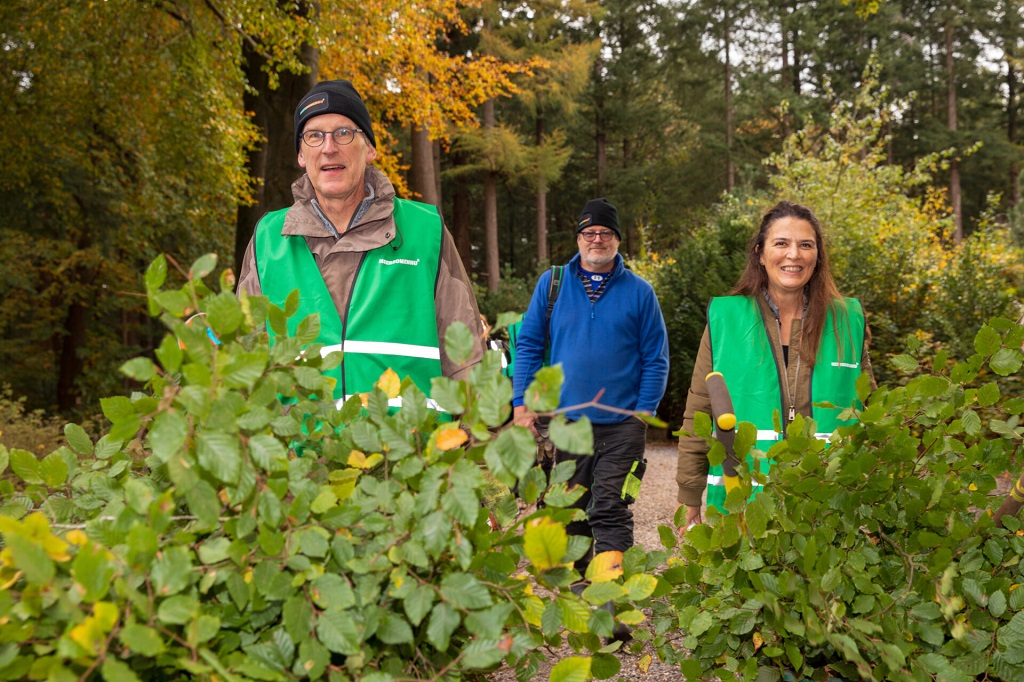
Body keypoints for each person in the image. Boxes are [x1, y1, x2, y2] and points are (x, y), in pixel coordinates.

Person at [236, 80, 483, 405]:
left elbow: (467, 360)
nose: (328, 147)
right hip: (298, 439)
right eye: (314, 136)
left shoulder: (426, 231)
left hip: (410, 437)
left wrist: (476, 430)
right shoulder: (267, 240)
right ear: (301, 155)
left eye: (343, 133)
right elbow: (242, 364)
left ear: (369, 149)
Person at [676, 200, 874, 529]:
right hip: (742, 501)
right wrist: (689, 493)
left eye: (806, 245)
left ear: (818, 256)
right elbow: (698, 410)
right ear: (760, 253)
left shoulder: (847, 320)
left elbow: (870, 409)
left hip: (826, 503)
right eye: (781, 243)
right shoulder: (726, 319)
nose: (793, 254)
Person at [512, 198, 669, 584]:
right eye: (589, 232)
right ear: (578, 238)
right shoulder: (552, 285)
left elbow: (656, 358)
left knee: (611, 506)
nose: (597, 239)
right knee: (571, 507)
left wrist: (643, 412)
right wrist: (521, 404)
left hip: (623, 424)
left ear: (617, 240)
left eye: (605, 232)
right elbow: (529, 345)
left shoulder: (640, 292)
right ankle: (580, 586)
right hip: (567, 424)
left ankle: (611, 588)